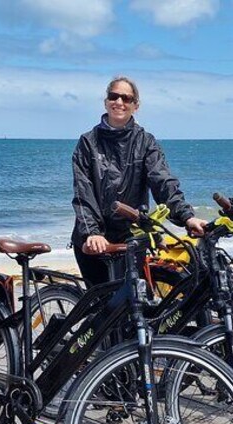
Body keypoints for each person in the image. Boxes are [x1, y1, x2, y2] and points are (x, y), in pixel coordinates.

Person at [71, 76, 207, 286]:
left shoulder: (146, 142)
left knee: (135, 304)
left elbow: (163, 183)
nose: (119, 102)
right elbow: (83, 191)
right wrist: (92, 232)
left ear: (136, 106)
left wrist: (187, 217)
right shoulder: (88, 142)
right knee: (100, 306)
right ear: (106, 101)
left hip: (130, 235)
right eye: (114, 96)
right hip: (95, 238)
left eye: (126, 98)